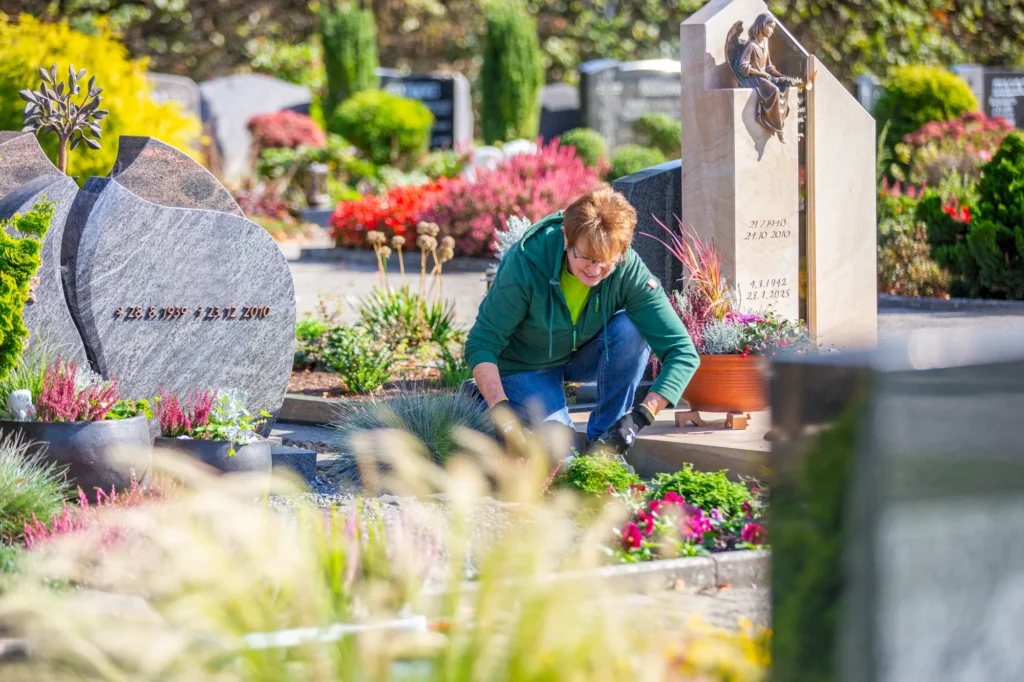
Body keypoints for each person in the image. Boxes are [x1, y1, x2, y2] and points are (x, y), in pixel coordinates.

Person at [465, 186, 700, 458]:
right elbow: (481, 344)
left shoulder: (626, 267)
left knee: (632, 329)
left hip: (580, 354)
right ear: (567, 239)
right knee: (563, 459)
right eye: (585, 257)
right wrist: (501, 411)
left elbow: (682, 352)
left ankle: (605, 450)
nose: (594, 269)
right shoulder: (526, 263)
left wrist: (641, 416)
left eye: (606, 262)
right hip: (525, 366)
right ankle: (481, 398)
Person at [736, 13, 791, 143]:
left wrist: (781, 76)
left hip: (765, 77)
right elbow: (743, 67)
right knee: (774, 90)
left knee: (785, 85)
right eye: (770, 26)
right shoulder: (751, 45)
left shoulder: (765, 45)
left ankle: (778, 119)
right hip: (755, 79)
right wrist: (761, 74)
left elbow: (769, 67)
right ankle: (778, 129)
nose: (772, 30)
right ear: (761, 25)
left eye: (773, 27)